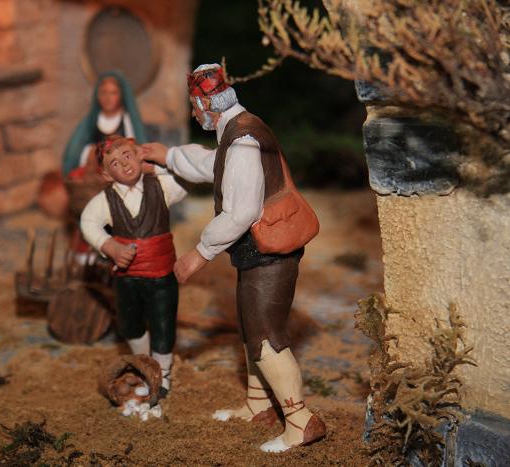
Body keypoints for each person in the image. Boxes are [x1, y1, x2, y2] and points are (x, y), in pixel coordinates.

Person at [140, 64, 326, 452]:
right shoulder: (235, 131)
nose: (193, 114)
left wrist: (199, 253)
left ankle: (300, 421)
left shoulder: (243, 142)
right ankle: (259, 405)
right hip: (255, 251)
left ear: (206, 104)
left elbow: (241, 212)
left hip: (270, 253)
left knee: (267, 337)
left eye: (194, 106)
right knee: (252, 330)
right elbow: (214, 164)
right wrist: (169, 155)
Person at [80, 136, 186, 397]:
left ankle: (163, 373)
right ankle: (143, 364)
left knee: (163, 323)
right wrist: (110, 246)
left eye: (127, 155)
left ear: (138, 154)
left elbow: (188, 177)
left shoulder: (162, 185)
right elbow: (88, 221)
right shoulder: (105, 200)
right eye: (115, 163)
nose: (124, 164)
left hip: (161, 274)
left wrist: (159, 164)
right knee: (130, 323)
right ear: (106, 174)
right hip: (127, 277)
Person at [62, 71, 147, 177]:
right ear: (98, 95)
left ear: (121, 95)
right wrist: (90, 152)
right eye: (104, 93)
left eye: (113, 93)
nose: (108, 98)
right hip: (95, 172)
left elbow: (135, 146)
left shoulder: (127, 121)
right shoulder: (91, 121)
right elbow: (75, 152)